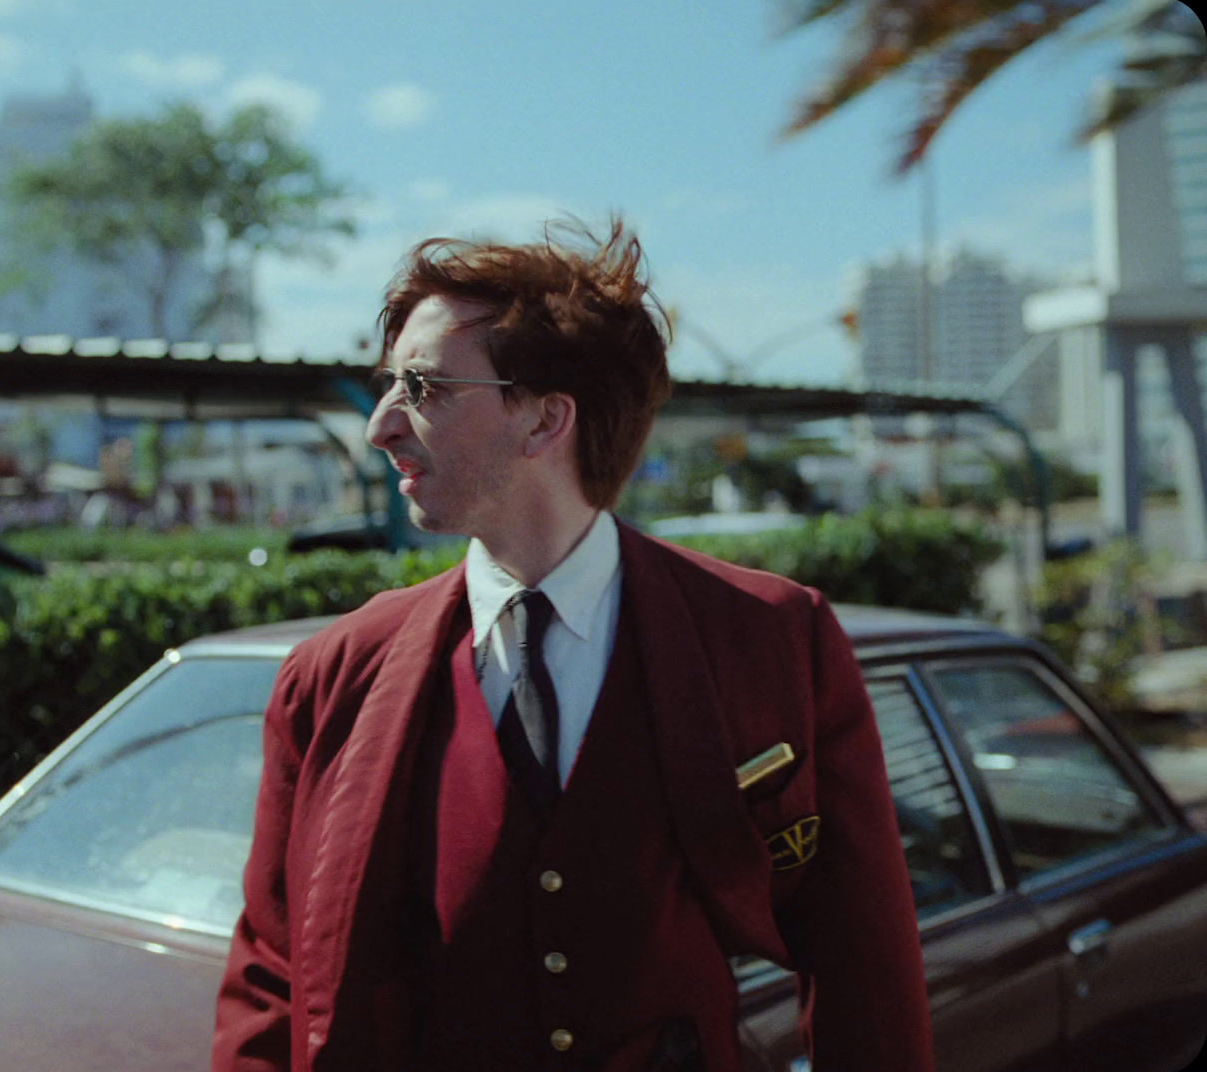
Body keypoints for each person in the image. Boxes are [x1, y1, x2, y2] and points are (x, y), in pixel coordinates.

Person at [213, 218, 934, 1072]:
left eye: (422, 386)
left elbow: (865, 968)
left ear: (545, 420)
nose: (380, 426)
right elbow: (271, 972)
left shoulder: (773, 640)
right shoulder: (334, 675)